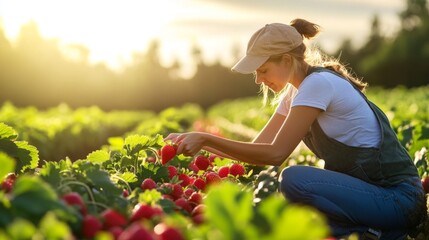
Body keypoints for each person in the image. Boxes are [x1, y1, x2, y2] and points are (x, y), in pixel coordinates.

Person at [165, 19, 426, 239]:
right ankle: (354, 231)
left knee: (294, 180)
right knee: (281, 208)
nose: (259, 80)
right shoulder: (296, 92)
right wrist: (201, 146)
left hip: (399, 200)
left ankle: (377, 233)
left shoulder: (318, 85)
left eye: (263, 70)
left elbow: (275, 154)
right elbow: (259, 151)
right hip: (371, 196)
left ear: (287, 60)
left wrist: (205, 138)